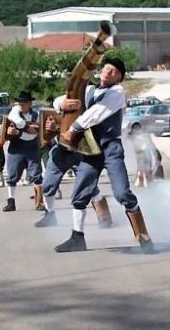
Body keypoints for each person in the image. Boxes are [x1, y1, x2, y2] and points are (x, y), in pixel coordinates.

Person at [54, 57, 153, 253]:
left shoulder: (117, 93)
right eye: (107, 68)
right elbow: (63, 98)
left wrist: (73, 129)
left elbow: (96, 113)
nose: (108, 72)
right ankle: (77, 238)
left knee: (122, 192)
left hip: (110, 148)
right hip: (90, 148)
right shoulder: (89, 90)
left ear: (119, 78)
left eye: (114, 71)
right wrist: (61, 105)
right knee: (79, 193)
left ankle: (143, 235)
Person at [33, 102, 112, 229]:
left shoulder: (87, 113)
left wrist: (57, 128)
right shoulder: (59, 108)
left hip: (80, 151)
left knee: (88, 187)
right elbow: (46, 133)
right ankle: (49, 214)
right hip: (61, 150)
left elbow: (83, 132)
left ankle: (104, 215)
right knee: (48, 184)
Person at [2, 91, 43, 212]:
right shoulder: (14, 113)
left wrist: (19, 131)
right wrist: (25, 129)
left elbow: (34, 133)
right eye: (20, 102)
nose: (22, 104)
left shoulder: (36, 115)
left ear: (30, 103)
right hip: (16, 147)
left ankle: (39, 201)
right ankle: (11, 201)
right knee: (12, 174)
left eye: (24, 102)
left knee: (36, 174)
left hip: (32, 148)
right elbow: (6, 129)